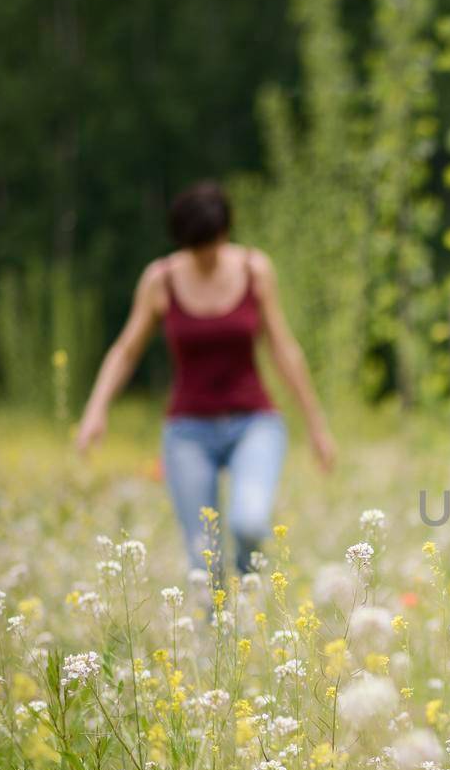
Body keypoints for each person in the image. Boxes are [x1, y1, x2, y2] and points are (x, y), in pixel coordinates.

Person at [74, 180, 337, 586]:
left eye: (211, 246)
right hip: (188, 432)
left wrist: (317, 426)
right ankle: (215, 644)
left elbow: (284, 350)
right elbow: (126, 350)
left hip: (255, 422)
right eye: (195, 249)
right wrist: (96, 409)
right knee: (204, 557)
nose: (205, 257)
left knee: (250, 521)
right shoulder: (160, 281)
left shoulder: (255, 270)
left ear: (225, 234)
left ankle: (251, 600)